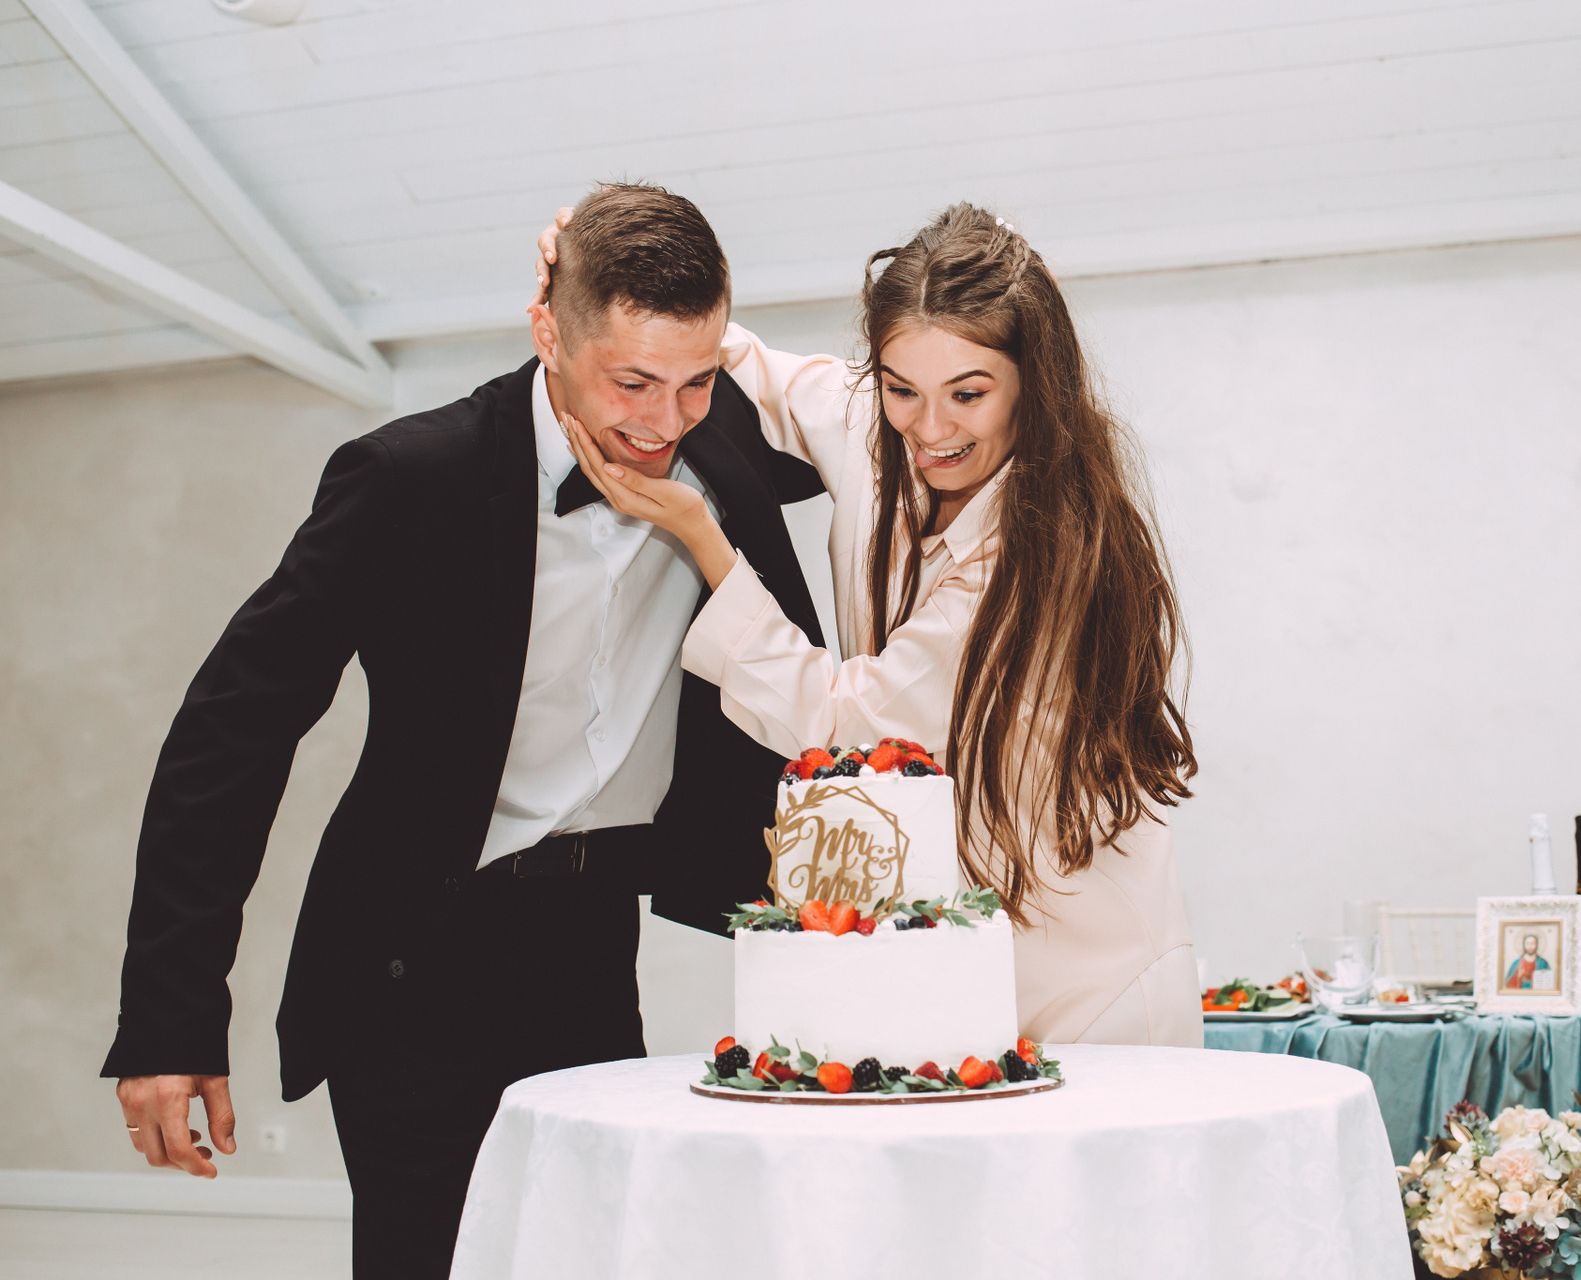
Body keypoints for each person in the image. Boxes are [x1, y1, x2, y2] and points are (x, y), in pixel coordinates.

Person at [103, 182, 825, 1279]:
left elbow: (898, 411)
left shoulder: (719, 443)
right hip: (414, 960)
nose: (663, 420)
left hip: (591, 941)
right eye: (631, 380)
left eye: (695, 380)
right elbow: (230, 733)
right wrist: (170, 1017)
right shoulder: (408, 477)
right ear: (548, 333)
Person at [538, 203, 1202, 1046]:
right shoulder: (869, 420)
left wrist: (704, 540)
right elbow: (719, 356)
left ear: (1034, 382)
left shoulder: (1038, 549)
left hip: (1091, 977)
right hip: (948, 964)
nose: (931, 428)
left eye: (969, 393)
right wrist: (588, 273)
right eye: (901, 390)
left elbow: (847, 722)